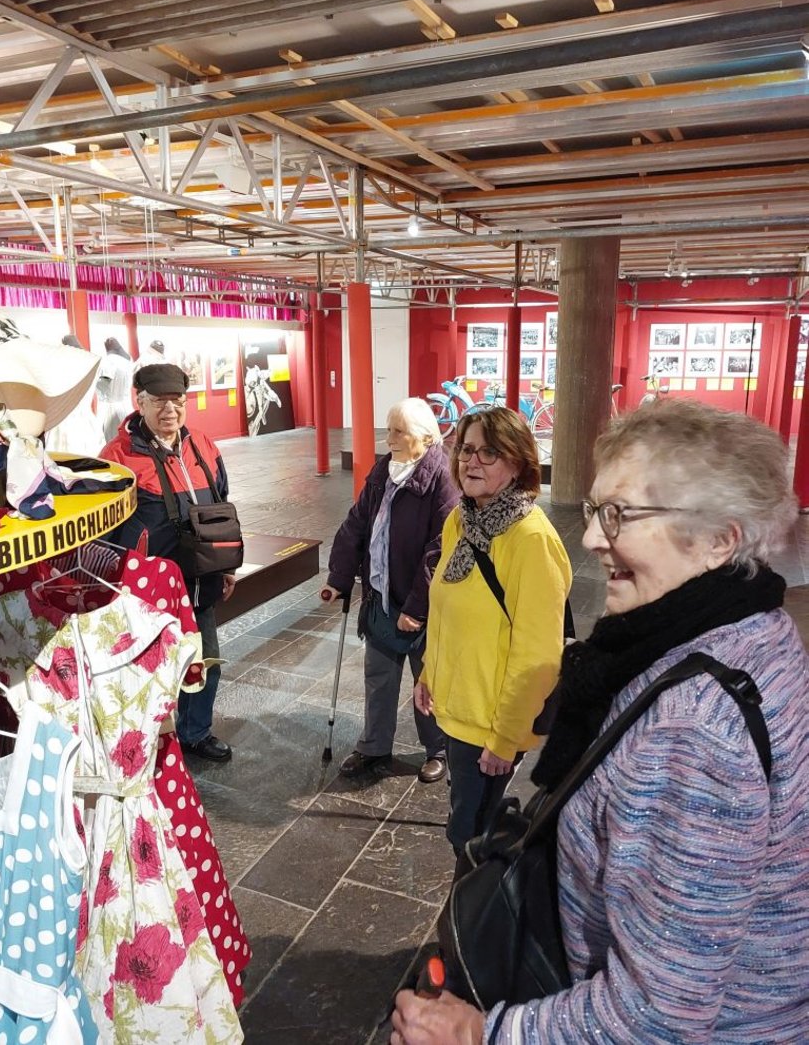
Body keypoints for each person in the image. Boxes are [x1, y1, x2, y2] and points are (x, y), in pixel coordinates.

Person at [393, 400, 809, 1045]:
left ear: (720, 540)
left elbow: (661, 1014)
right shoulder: (752, 630)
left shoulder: (694, 730)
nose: (589, 537)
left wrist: (482, 1033)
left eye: (620, 515)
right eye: (594, 510)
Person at [414, 407, 571, 856]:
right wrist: (428, 672)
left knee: (471, 839)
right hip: (458, 706)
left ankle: (473, 901)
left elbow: (538, 657)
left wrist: (505, 738)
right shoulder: (460, 520)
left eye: (489, 453)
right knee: (465, 821)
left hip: (490, 724)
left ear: (518, 464)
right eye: (466, 450)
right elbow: (446, 609)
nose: (472, 462)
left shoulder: (531, 539)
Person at [101, 363, 236, 762]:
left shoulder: (203, 446)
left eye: (177, 401)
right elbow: (105, 530)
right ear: (139, 402)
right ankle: (143, 740)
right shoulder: (117, 457)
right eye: (159, 401)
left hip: (201, 577)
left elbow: (223, 503)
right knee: (148, 666)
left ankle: (195, 733)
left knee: (204, 661)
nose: (170, 410)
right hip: (149, 588)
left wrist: (227, 565)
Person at [321, 398, 459, 783]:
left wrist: (416, 607)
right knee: (379, 676)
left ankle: (438, 749)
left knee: (428, 679)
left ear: (426, 438)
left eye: (400, 432)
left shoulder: (443, 478)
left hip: (423, 604)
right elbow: (357, 523)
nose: (390, 438)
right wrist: (338, 578)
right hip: (382, 595)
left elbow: (439, 550)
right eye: (389, 429)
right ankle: (374, 746)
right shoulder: (384, 469)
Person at [96, 336, 134, 442]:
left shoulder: (107, 362)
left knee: (110, 441)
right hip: (126, 407)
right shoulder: (127, 362)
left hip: (108, 408)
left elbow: (104, 384)